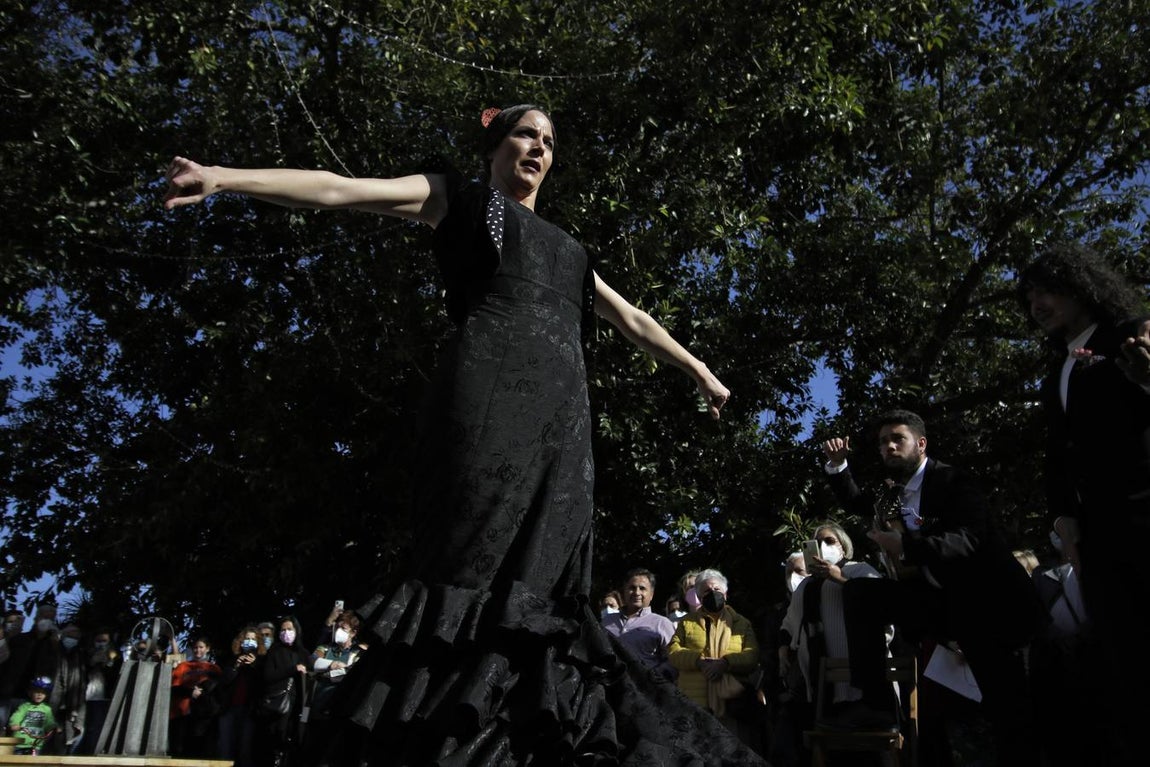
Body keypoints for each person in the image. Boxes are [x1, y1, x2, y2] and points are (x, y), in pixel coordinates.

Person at [164, 103, 760, 767]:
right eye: (525, 134)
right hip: (485, 402)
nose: (538, 147)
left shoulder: (571, 250)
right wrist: (222, 176)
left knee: (545, 578)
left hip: (563, 425)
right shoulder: (460, 197)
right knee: (472, 560)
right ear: (495, 145)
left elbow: (635, 319)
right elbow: (338, 188)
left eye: (549, 140)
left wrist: (700, 370)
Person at [822, 410, 1046, 764]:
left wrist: (907, 547)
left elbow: (968, 540)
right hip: (939, 604)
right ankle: (876, 704)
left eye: (898, 439)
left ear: (921, 444)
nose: (889, 447)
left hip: (989, 609)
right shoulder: (892, 496)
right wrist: (838, 466)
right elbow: (856, 502)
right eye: (883, 442)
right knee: (861, 592)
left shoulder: (954, 483)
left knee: (1009, 713)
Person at [1016, 241, 1150, 765]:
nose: (1038, 306)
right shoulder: (1058, 372)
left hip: (1142, 516)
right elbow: (1056, 452)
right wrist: (1063, 517)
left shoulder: (1127, 335)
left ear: (1080, 285)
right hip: (1097, 536)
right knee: (1124, 662)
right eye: (1029, 299)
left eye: (1047, 291)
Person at [780, 522, 888, 717]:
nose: (823, 546)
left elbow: (881, 604)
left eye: (829, 541)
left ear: (843, 546)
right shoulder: (805, 585)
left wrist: (839, 579)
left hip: (862, 682)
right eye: (818, 542)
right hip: (820, 685)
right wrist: (783, 647)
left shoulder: (861, 570)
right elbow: (789, 622)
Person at [668, 569, 761, 749]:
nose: (713, 594)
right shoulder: (686, 623)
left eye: (717, 590)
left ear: (725, 594)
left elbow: (752, 656)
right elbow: (673, 652)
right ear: (699, 597)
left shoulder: (741, 623)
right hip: (695, 703)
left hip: (731, 702)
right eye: (707, 592)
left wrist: (726, 663)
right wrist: (698, 661)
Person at [601, 568, 677, 681]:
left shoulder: (662, 624)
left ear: (651, 594)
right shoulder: (606, 622)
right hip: (611, 689)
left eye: (642, 588)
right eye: (632, 588)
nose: (637, 592)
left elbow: (674, 660)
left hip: (647, 691)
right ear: (624, 591)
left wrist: (654, 675)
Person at [253, 616, 310, 767]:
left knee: (295, 740)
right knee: (274, 742)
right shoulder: (275, 651)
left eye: (289, 629)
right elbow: (268, 676)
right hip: (277, 705)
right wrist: (292, 670)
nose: (286, 632)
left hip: (299, 706)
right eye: (283, 630)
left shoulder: (303, 653)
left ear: (296, 631)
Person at [169, 636, 222, 758]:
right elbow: (174, 688)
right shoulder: (183, 666)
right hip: (183, 713)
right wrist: (190, 692)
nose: (198, 650)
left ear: (208, 649)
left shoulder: (214, 668)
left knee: (202, 750)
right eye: (195, 647)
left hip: (204, 715)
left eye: (201, 647)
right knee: (181, 751)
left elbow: (219, 690)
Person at [7, 675, 58, 755]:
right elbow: (17, 715)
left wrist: (54, 727)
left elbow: (49, 722)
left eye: (43, 692)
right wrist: (14, 724)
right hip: (21, 741)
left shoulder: (47, 709)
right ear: (30, 693)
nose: (39, 695)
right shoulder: (25, 706)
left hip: (36, 743)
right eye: (37, 692)